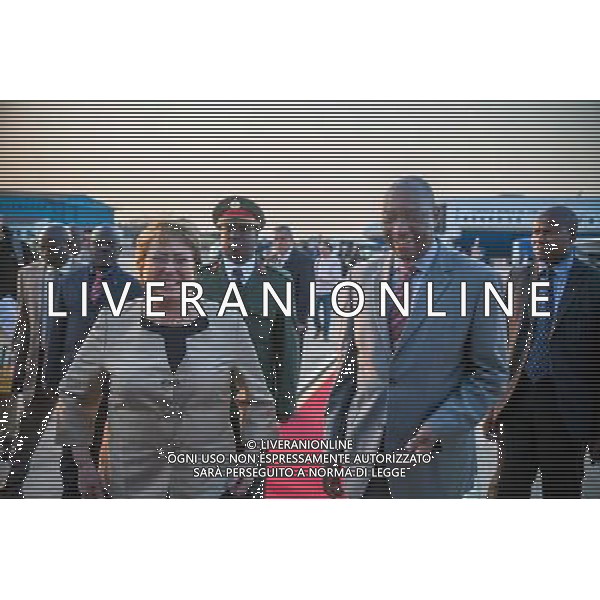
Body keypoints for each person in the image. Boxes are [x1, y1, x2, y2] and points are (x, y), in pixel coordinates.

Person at [54, 221, 278, 498]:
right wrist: (84, 464)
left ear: (196, 267)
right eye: (158, 257)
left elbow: (257, 399)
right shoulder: (113, 322)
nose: (170, 268)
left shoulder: (227, 321)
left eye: (182, 259)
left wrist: (253, 458)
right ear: (141, 266)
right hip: (130, 476)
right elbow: (74, 394)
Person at [323, 176, 509, 499]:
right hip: (364, 460)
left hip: (432, 462)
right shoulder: (359, 277)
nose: (399, 227)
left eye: (411, 215)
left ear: (436, 216)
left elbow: (490, 374)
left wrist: (442, 424)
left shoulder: (479, 280)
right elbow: (348, 369)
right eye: (391, 216)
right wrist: (332, 451)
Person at [485, 206, 600, 498]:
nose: (538, 237)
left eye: (548, 231)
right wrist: (493, 403)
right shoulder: (519, 277)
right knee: (508, 490)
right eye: (535, 231)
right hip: (518, 399)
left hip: (566, 407)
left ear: (570, 235)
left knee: (561, 492)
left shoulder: (592, 283)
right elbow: (507, 344)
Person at [198, 197, 299, 424]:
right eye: (227, 229)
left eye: (243, 229)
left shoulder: (278, 281)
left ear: (256, 235)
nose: (234, 235)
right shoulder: (199, 279)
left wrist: (284, 402)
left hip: (257, 394)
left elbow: (286, 347)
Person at [58, 225, 143, 496]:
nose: (104, 247)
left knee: (105, 444)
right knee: (72, 449)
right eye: (99, 243)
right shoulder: (68, 282)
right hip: (76, 378)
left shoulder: (134, 288)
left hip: (114, 380)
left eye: (110, 243)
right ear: (89, 246)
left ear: (119, 249)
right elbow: (57, 332)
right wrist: (51, 376)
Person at [1, 224, 73, 497]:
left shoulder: (85, 277)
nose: (51, 251)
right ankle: (13, 485)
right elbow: (24, 325)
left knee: (76, 434)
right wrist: (19, 365)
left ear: (70, 246)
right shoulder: (28, 275)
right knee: (28, 429)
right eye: (46, 246)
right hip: (40, 364)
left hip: (74, 368)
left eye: (57, 245)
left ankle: (74, 491)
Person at [267, 224, 316, 343]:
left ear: (290, 240)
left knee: (292, 354)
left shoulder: (303, 260)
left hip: (293, 316)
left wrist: (301, 320)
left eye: (283, 239)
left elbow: (305, 292)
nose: (279, 242)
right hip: (270, 316)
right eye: (276, 239)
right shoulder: (269, 259)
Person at [313, 240, 343, 341]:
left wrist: (324, 278)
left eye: (324, 249)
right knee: (314, 313)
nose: (322, 252)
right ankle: (318, 328)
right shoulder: (318, 260)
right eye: (320, 250)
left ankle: (326, 333)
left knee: (327, 314)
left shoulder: (335, 261)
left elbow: (337, 278)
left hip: (328, 291)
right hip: (316, 291)